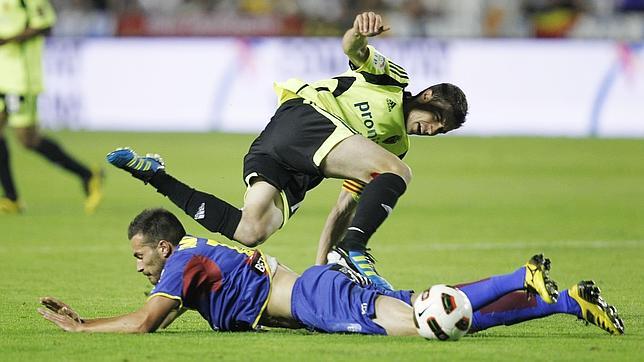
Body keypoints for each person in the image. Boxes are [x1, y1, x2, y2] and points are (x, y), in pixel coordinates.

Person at [106, 11, 468, 291]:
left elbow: (345, 207)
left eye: (442, 131)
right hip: (307, 119)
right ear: (426, 97)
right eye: (437, 118)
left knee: (250, 230)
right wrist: (359, 31)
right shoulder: (393, 81)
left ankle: (153, 174)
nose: (433, 130)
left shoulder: (393, 149)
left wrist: (320, 268)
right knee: (399, 174)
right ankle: (355, 251)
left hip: (292, 157)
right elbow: (352, 49)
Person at [38, 208, 624, 336]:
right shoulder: (198, 255)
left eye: (140, 256)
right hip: (321, 289)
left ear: (162, 248)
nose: (139, 267)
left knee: (429, 323)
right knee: (432, 310)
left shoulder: (185, 263)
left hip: (320, 300)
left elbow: (145, 324)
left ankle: (523, 278)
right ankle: (567, 300)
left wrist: (84, 326)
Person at [0, 0, 103, 215]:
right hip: (3, 73)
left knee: (28, 140)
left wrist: (7, 39)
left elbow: (45, 25)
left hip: (20, 78)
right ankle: (11, 198)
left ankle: (87, 174)